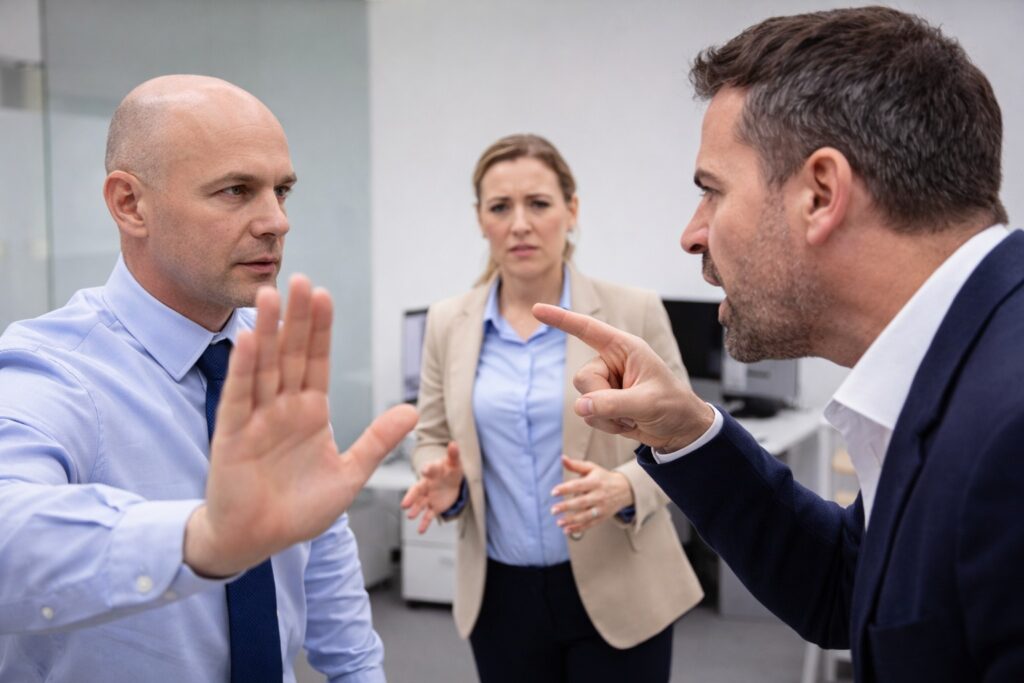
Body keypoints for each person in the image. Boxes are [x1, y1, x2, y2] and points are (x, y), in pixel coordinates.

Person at [533, 6, 1024, 682]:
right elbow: (849, 588)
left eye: (712, 192)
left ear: (820, 194)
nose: (691, 234)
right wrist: (687, 432)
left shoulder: (1011, 427)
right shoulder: (966, 365)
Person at [0, 75, 417, 682]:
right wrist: (201, 540)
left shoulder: (269, 353)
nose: (277, 221)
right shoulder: (52, 369)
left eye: (282, 191)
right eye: (236, 191)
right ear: (129, 204)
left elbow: (319, 545)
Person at [400, 134, 702, 682]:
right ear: (480, 220)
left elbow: (686, 441)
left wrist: (627, 487)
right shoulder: (448, 322)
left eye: (538, 203)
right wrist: (440, 479)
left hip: (621, 581)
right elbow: (430, 438)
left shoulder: (631, 311)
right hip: (500, 594)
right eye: (500, 207)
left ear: (571, 209)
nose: (520, 223)